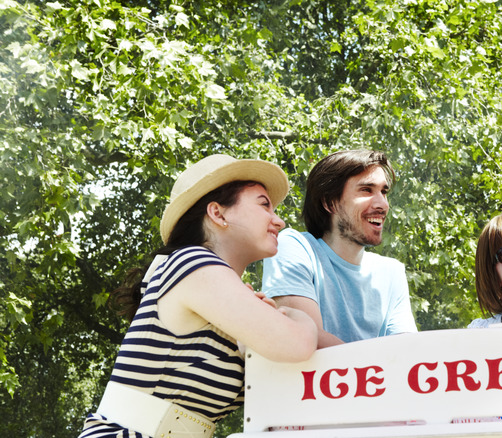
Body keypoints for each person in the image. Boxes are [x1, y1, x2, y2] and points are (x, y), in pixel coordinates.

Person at [79, 154, 318, 438]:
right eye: (264, 204)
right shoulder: (192, 263)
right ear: (218, 213)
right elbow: (296, 345)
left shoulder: (220, 291)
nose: (278, 221)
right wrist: (295, 316)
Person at [262, 150, 417, 348]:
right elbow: (307, 338)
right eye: (367, 190)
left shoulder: (391, 271)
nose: (382, 204)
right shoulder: (295, 246)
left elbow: (406, 352)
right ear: (330, 202)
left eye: (384, 192)